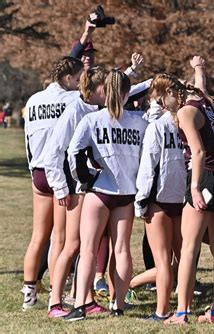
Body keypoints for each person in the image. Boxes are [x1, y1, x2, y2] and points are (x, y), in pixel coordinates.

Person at [150, 59, 214, 326]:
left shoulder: (187, 112)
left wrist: (194, 187)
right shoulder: (203, 102)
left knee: (188, 248)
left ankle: (181, 313)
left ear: (170, 94)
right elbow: (199, 86)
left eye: (160, 100)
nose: (162, 107)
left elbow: (198, 152)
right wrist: (199, 68)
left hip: (206, 178)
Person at [64, 70, 148, 321]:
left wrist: (86, 179)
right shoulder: (141, 122)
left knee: (88, 249)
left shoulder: (92, 120)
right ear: (126, 93)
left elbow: (73, 153)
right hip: (127, 192)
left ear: (105, 91)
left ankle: (80, 305)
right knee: (122, 249)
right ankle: (118, 305)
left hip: (101, 191)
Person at [44, 66, 109, 317]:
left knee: (86, 244)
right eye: (106, 87)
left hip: (90, 184)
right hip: (74, 184)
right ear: (95, 89)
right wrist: (60, 187)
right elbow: (54, 152)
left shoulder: (98, 108)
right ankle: (55, 302)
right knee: (72, 244)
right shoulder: (74, 111)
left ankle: (87, 299)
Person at [22, 56, 84, 311]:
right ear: (68, 79)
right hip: (59, 171)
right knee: (59, 237)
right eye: (79, 79)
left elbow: (27, 138)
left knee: (38, 236)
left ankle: (29, 293)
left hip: (38, 171)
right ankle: (55, 295)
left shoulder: (33, 100)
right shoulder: (72, 99)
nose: (81, 84)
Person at [134, 80, 187, 321]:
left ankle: (162, 310)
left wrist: (141, 201)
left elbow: (148, 166)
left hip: (160, 198)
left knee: (163, 260)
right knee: (183, 258)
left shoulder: (157, 126)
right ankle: (182, 307)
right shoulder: (191, 124)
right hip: (183, 198)